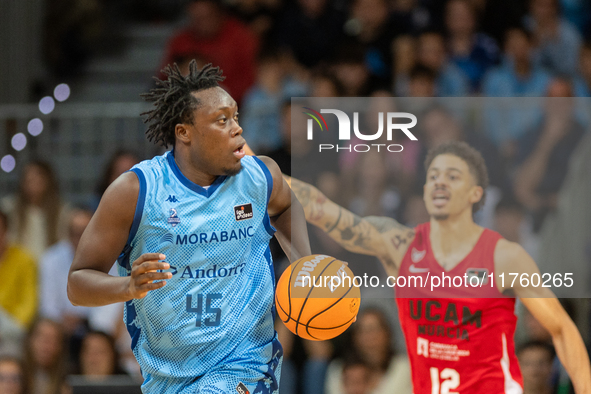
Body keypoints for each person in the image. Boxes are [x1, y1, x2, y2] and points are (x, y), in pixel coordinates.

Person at [67, 62, 311, 393]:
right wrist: (128, 286)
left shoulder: (260, 176)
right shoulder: (137, 192)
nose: (237, 129)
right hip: (168, 378)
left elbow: (285, 205)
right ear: (184, 132)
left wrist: (307, 265)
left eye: (236, 117)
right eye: (221, 120)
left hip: (246, 363)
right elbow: (78, 284)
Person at [287, 140, 591, 393]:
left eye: (453, 176)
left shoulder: (504, 257)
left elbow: (562, 330)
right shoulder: (401, 246)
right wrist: (260, 171)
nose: (440, 183)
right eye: (433, 176)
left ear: (475, 194)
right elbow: (322, 210)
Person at [0, 161, 70, 260]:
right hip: (20, 266)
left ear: (48, 181)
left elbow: (64, 246)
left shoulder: (61, 211)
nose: (33, 183)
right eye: (29, 179)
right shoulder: (10, 208)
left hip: (50, 267)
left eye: (37, 179)